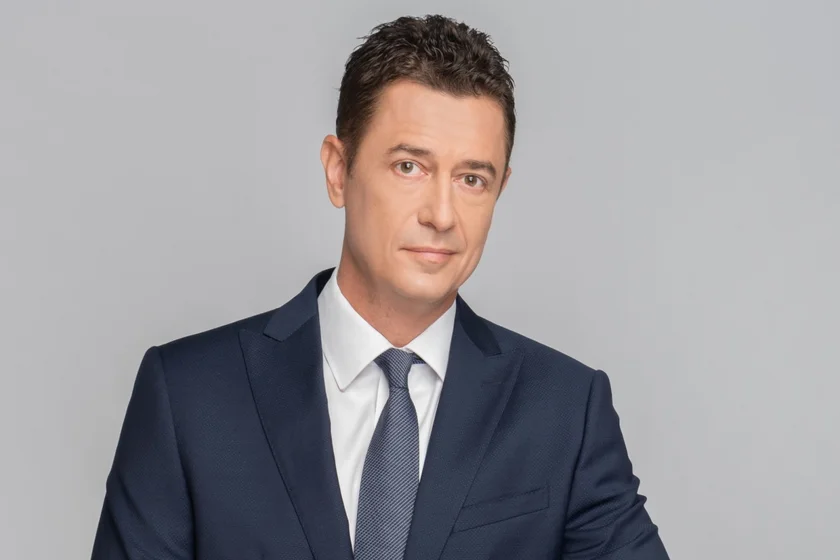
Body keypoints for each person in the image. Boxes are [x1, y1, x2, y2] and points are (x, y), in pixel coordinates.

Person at [91, 14, 669, 560]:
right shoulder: (189, 396)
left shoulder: (565, 409)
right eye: (409, 167)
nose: (442, 214)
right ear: (337, 171)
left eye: (472, 178)